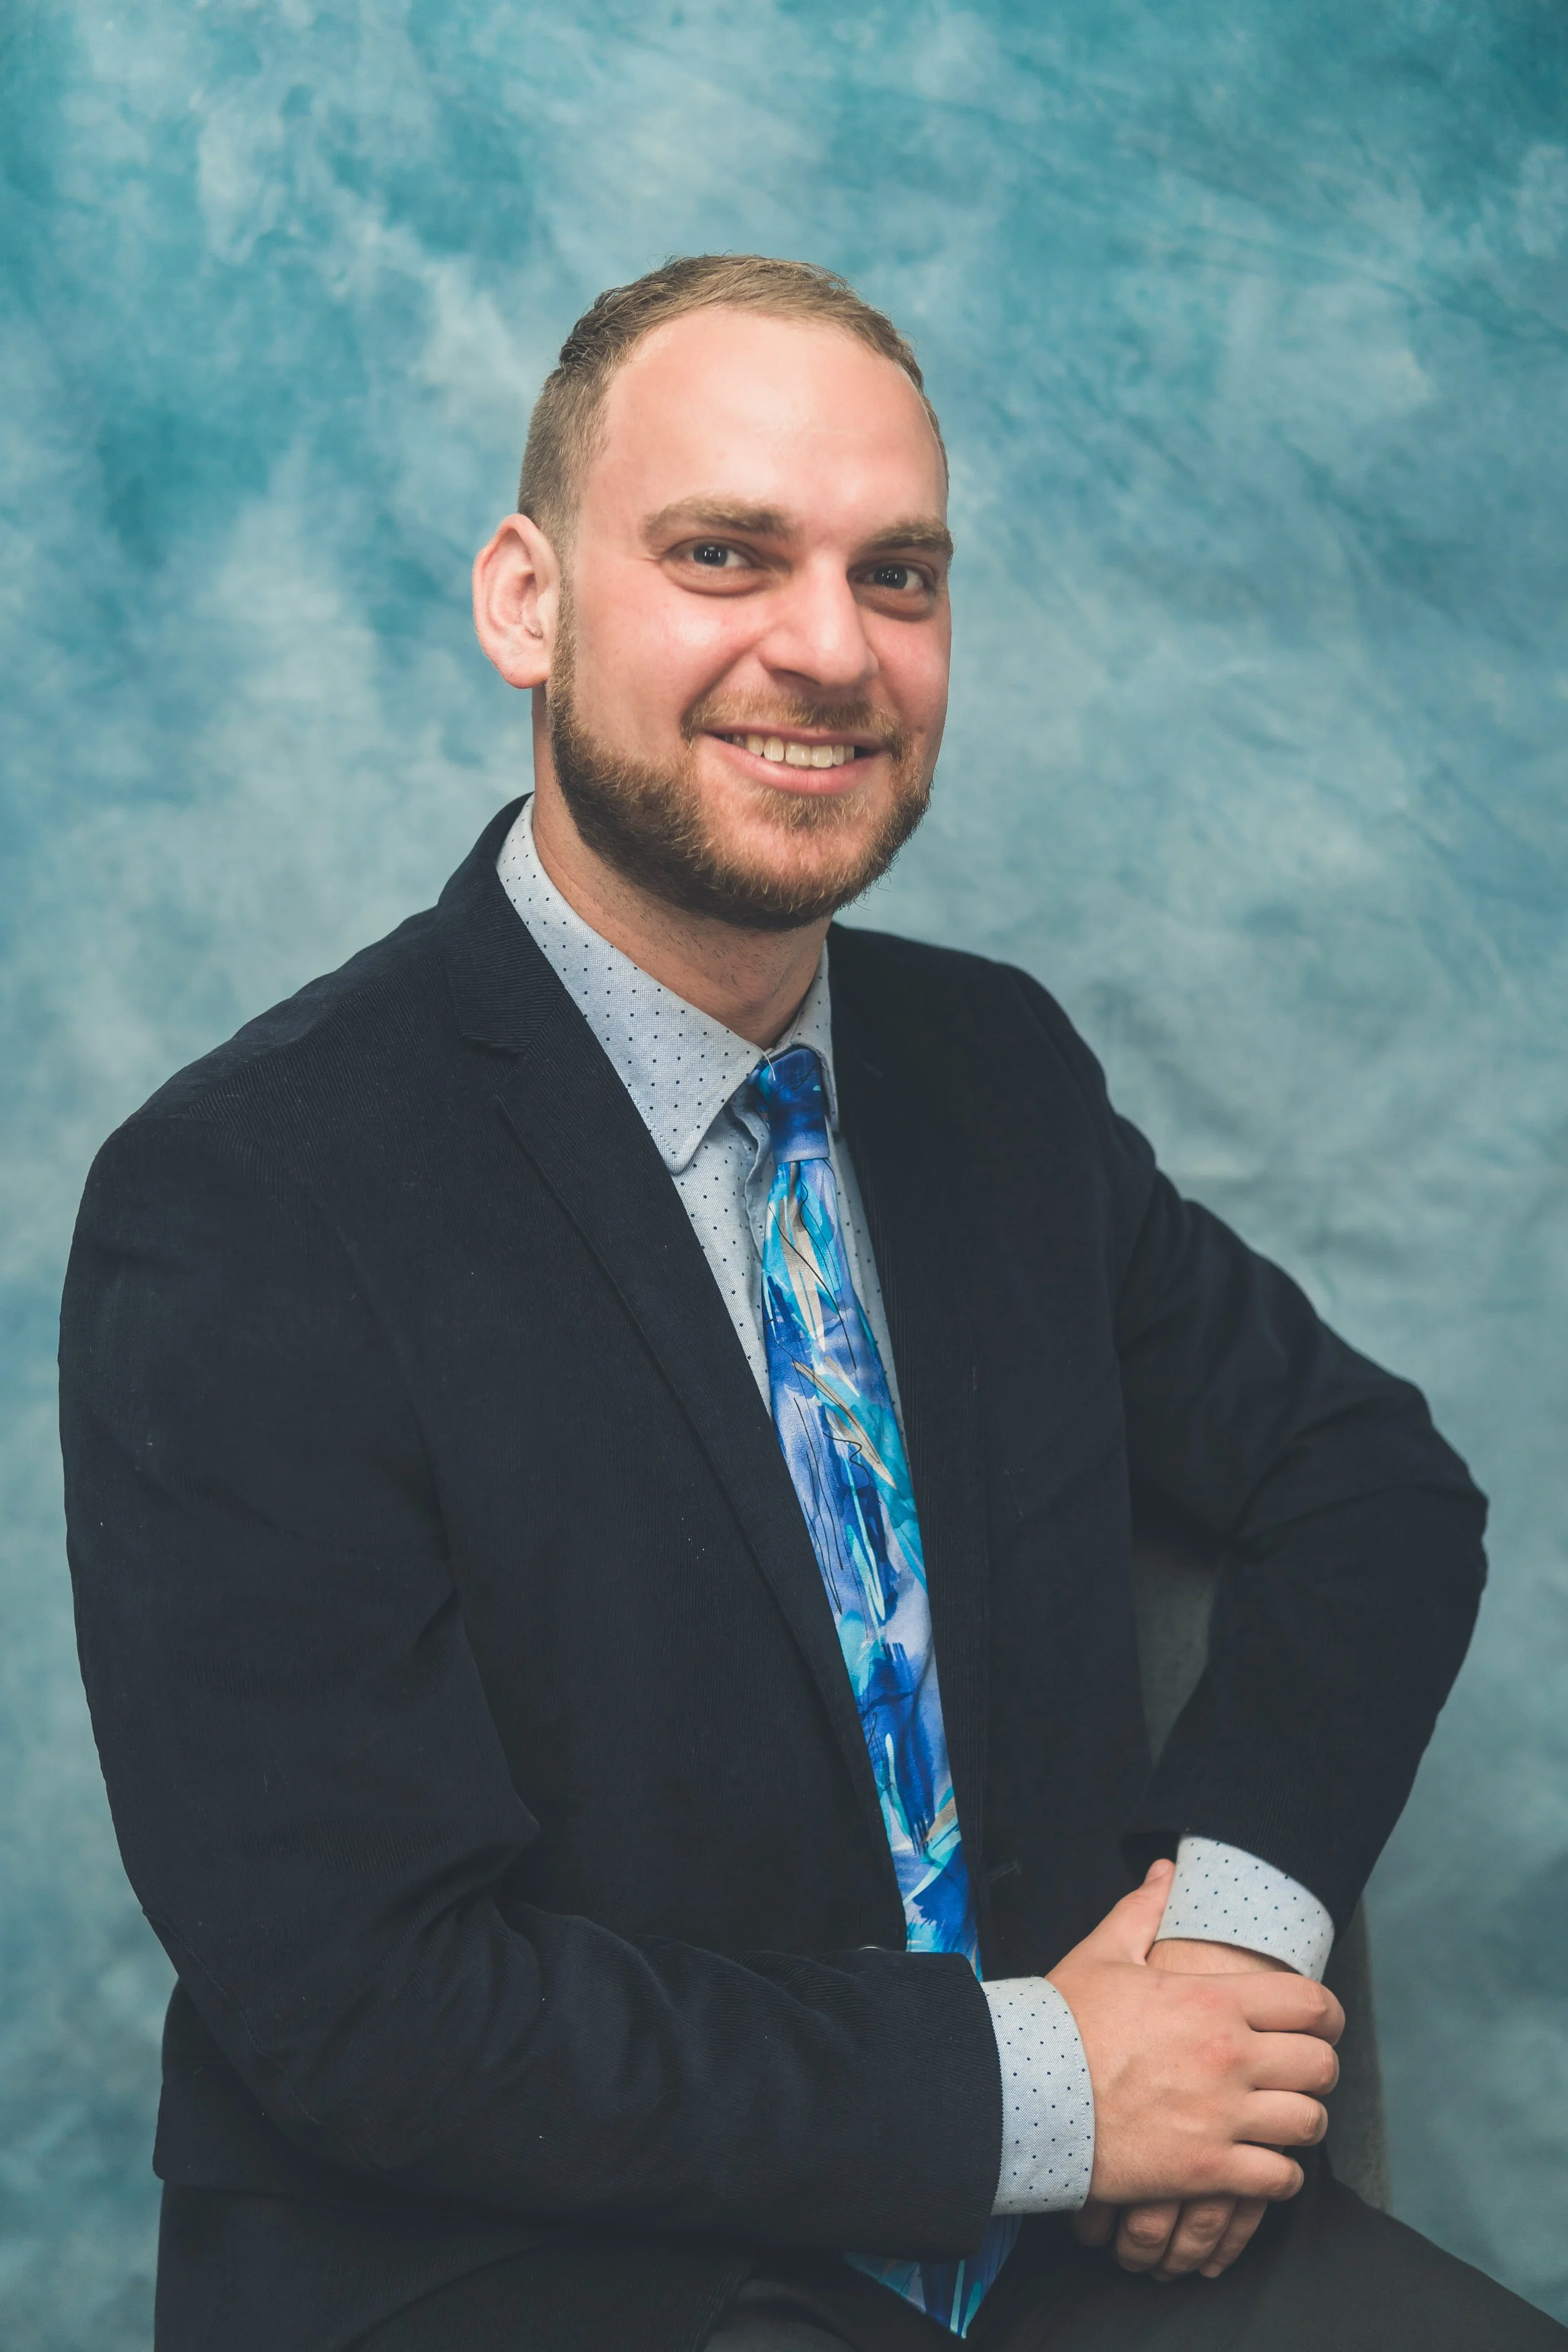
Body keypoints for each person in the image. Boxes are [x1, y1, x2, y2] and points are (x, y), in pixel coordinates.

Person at [60, 255, 1564, 2352]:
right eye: (723, 554)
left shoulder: (993, 1075)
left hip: (1068, 2239)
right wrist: (1048, 2087)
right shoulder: (242, 1196)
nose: (831, 647)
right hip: (537, 2261)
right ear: (526, 600)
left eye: (899, 575)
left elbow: (1369, 1480)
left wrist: (1220, 1947)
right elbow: (373, 2006)